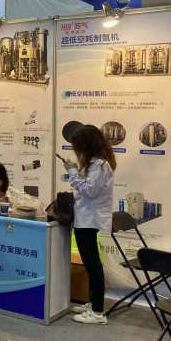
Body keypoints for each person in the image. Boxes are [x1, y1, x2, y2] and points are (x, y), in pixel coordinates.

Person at [63, 125, 116, 325]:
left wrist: (72, 172)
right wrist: (75, 171)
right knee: (91, 264)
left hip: (90, 220)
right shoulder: (95, 164)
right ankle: (93, 303)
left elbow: (89, 191)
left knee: (93, 265)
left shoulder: (100, 165)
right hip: (85, 218)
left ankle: (97, 312)